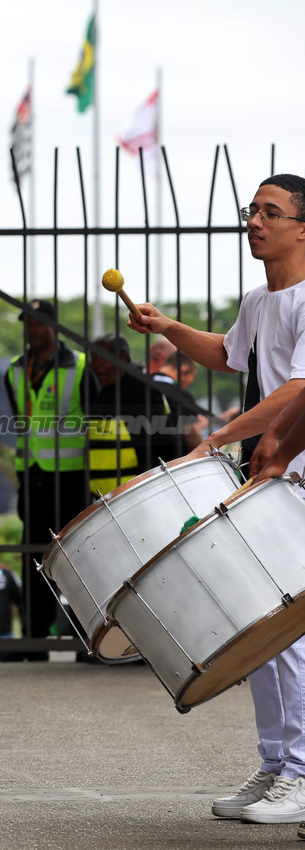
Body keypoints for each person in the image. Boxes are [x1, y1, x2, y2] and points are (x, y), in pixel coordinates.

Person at [129, 173, 305, 824]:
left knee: (286, 632)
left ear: (302, 227)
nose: (254, 221)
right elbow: (227, 356)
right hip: (269, 479)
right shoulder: (260, 301)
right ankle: (276, 766)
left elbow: (296, 391)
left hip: (296, 476)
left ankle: (299, 773)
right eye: (249, 210)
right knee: (257, 627)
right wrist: (166, 325)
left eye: (270, 211)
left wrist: (218, 438)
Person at [2, 300, 97, 662]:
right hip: (33, 475)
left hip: (72, 477)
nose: (32, 329)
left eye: (39, 323)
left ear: (53, 327)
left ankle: (86, 639)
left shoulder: (80, 365)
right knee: (33, 556)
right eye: (28, 323)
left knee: (76, 558)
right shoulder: (14, 370)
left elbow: (93, 418)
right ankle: (34, 638)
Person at [86, 332, 184, 495]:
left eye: (102, 358)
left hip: (139, 493)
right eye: (93, 359)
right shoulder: (105, 389)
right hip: (108, 497)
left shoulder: (139, 389)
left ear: (123, 358)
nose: (96, 365)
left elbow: (164, 443)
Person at [150, 348, 205, 453]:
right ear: (184, 371)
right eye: (188, 382)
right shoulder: (181, 396)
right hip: (171, 464)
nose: (185, 387)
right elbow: (192, 438)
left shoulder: (139, 386)